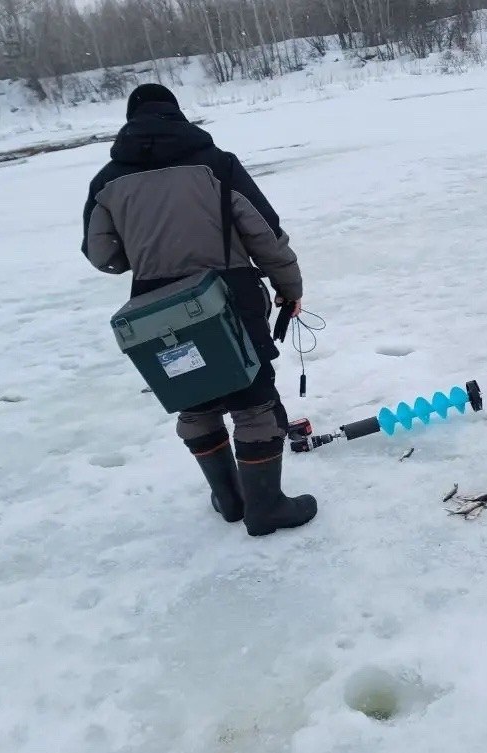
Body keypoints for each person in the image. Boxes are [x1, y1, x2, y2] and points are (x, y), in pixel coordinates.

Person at [81, 83, 317, 537]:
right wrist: (289, 288)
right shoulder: (217, 164)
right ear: (177, 115)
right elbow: (265, 235)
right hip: (230, 297)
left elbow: (102, 255)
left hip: (157, 310)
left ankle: (230, 499)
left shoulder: (106, 181)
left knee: (195, 399)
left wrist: (146, 248)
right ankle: (265, 508)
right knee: (253, 402)